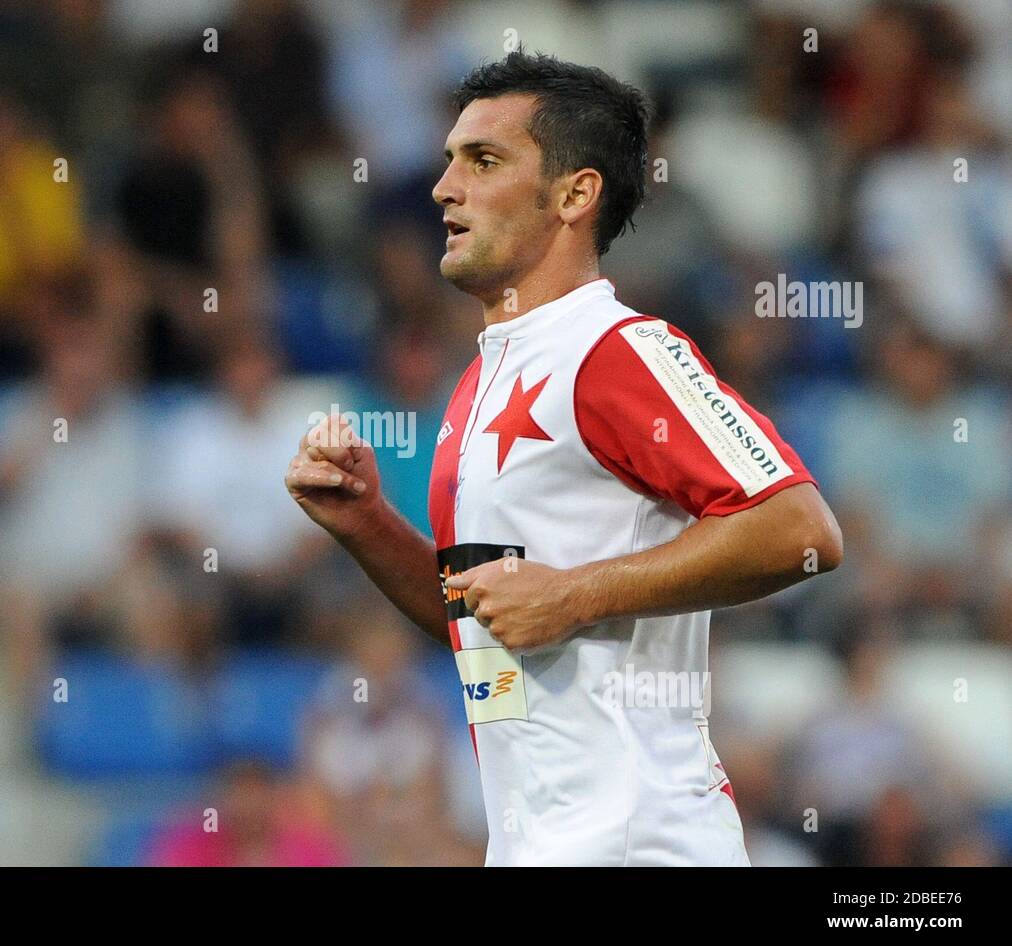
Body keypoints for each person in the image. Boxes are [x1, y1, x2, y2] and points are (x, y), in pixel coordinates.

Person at [283, 51, 843, 866]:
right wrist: (366, 524)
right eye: (449, 162)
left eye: (484, 161)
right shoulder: (482, 378)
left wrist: (575, 597)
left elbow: (802, 529)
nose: (445, 188)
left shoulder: (615, 349)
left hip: (640, 843)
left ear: (576, 194)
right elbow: (491, 631)